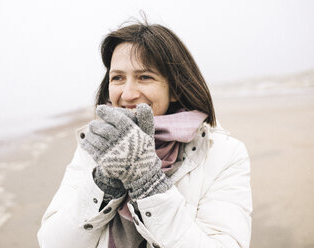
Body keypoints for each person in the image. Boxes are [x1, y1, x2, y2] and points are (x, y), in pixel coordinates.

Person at [37, 20, 252, 248]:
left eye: (145, 77)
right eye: (118, 77)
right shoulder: (96, 148)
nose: (128, 94)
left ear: (175, 89)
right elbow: (52, 243)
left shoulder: (224, 154)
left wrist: (147, 183)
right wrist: (105, 184)